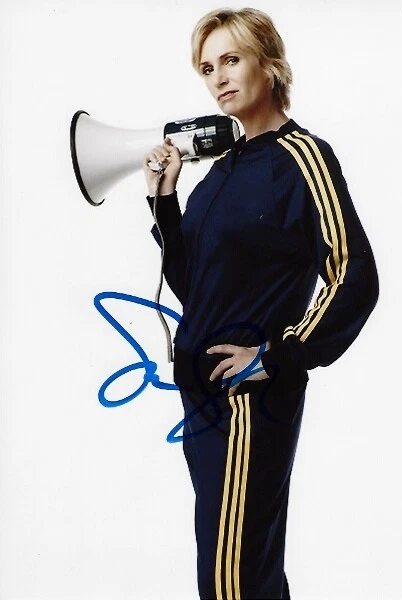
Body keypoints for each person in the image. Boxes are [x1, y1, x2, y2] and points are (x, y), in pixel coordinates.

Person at [143, 7, 379, 599]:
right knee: (237, 573)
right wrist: (166, 203)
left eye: (231, 59)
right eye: (207, 68)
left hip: (248, 401)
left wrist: (279, 354)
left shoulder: (303, 158)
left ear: (268, 63)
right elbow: (197, 287)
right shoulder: (220, 171)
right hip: (202, 402)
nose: (218, 78)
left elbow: (354, 274)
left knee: (233, 579)